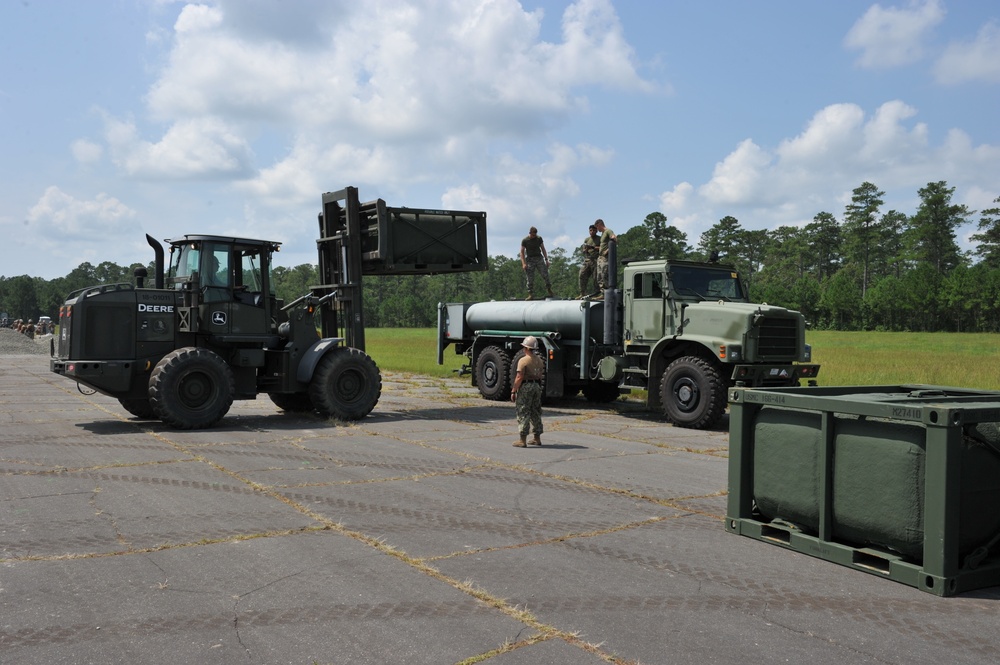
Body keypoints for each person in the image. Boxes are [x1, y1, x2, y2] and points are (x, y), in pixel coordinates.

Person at [510, 336, 546, 447]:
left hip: (526, 386)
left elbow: (519, 377)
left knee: (523, 411)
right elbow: (540, 375)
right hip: (536, 386)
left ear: (526, 348)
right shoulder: (539, 360)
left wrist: (514, 390)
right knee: (535, 411)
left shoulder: (523, 360)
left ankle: (522, 439)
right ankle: (537, 438)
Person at [520, 226, 554, 300]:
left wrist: (546, 259)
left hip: (539, 258)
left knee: (545, 274)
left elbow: (543, 249)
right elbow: (522, 252)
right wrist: (524, 263)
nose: (534, 236)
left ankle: (549, 289)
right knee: (530, 278)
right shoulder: (525, 240)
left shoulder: (539, 238)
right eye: (532, 235)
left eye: (535, 235)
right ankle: (530, 294)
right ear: (530, 233)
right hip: (530, 259)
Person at [594, 218, 617, 300]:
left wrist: (608, 250)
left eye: (597, 227)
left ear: (599, 225)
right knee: (599, 277)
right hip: (600, 258)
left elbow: (614, 238)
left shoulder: (608, 231)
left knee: (604, 275)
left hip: (605, 258)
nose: (597, 230)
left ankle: (608, 293)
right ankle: (603, 293)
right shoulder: (603, 234)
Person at [578, 223, 600, 298]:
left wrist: (592, 247)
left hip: (596, 260)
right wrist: (585, 249)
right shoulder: (587, 239)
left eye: (594, 230)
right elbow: (583, 250)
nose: (592, 232)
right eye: (590, 230)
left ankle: (597, 293)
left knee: (596, 278)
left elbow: (601, 248)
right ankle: (582, 292)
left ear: (596, 231)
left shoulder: (599, 239)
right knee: (582, 274)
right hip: (588, 259)